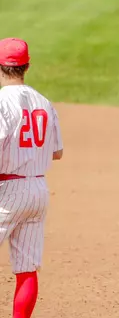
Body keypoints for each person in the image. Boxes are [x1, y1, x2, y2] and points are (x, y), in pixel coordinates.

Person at [0, 37, 64, 318]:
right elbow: (57, 152)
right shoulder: (44, 101)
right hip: (37, 189)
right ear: (27, 66)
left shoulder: (1, 102)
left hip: (7, 192)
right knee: (26, 269)